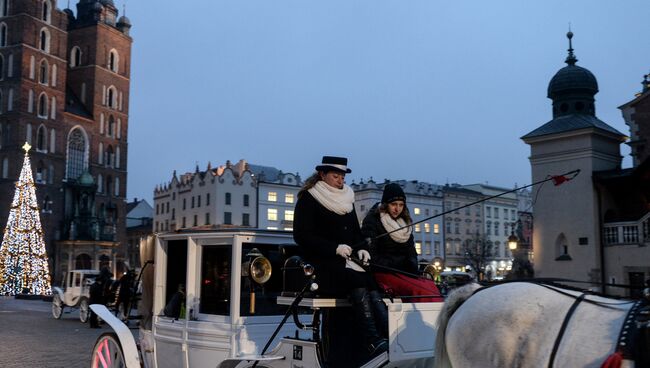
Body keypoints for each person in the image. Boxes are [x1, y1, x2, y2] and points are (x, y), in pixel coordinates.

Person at [293, 156, 388, 366]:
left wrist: (362, 249)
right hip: (322, 262)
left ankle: (385, 334)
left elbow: (355, 233)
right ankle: (373, 340)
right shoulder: (309, 198)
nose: (340, 181)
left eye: (342, 177)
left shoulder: (347, 199)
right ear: (322, 175)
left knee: (371, 280)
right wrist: (334, 248)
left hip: (346, 260)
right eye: (336, 176)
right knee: (356, 280)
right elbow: (302, 236)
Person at [361, 183, 443, 303]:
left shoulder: (405, 224)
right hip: (383, 274)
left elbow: (411, 252)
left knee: (431, 287)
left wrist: (411, 265)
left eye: (401, 205)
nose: (397, 209)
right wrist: (399, 263)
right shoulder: (373, 221)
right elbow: (372, 257)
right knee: (420, 291)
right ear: (385, 204)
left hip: (403, 272)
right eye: (393, 204)